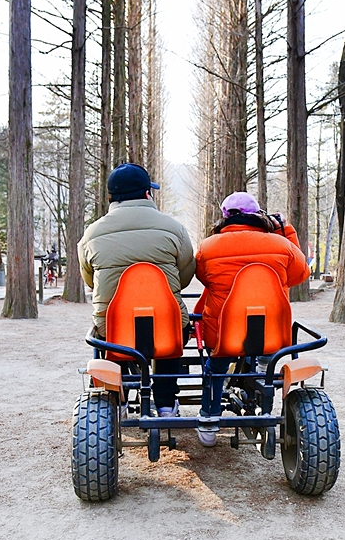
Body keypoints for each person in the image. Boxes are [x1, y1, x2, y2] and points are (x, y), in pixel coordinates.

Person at [78, 163, 196, 417]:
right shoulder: (174, 228)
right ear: (147, 194)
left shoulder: (91, 234)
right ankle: (165, 403)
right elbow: (185, 275)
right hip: (168, 327)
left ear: (111, 198)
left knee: (110, 331)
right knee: (169, 327)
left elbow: (90, 280)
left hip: (114, 329)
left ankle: (116, 398)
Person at [194, 191, 310, 446]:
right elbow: (300, 274)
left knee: (215, 368)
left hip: (224, 331)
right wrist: (285, 231)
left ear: (224, 218)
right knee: (265, 356)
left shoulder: (207, 247)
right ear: (259, 215)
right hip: (270, 330)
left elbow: (204, 279)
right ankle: (260, 382)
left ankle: (209, 420)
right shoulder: (282, 245)